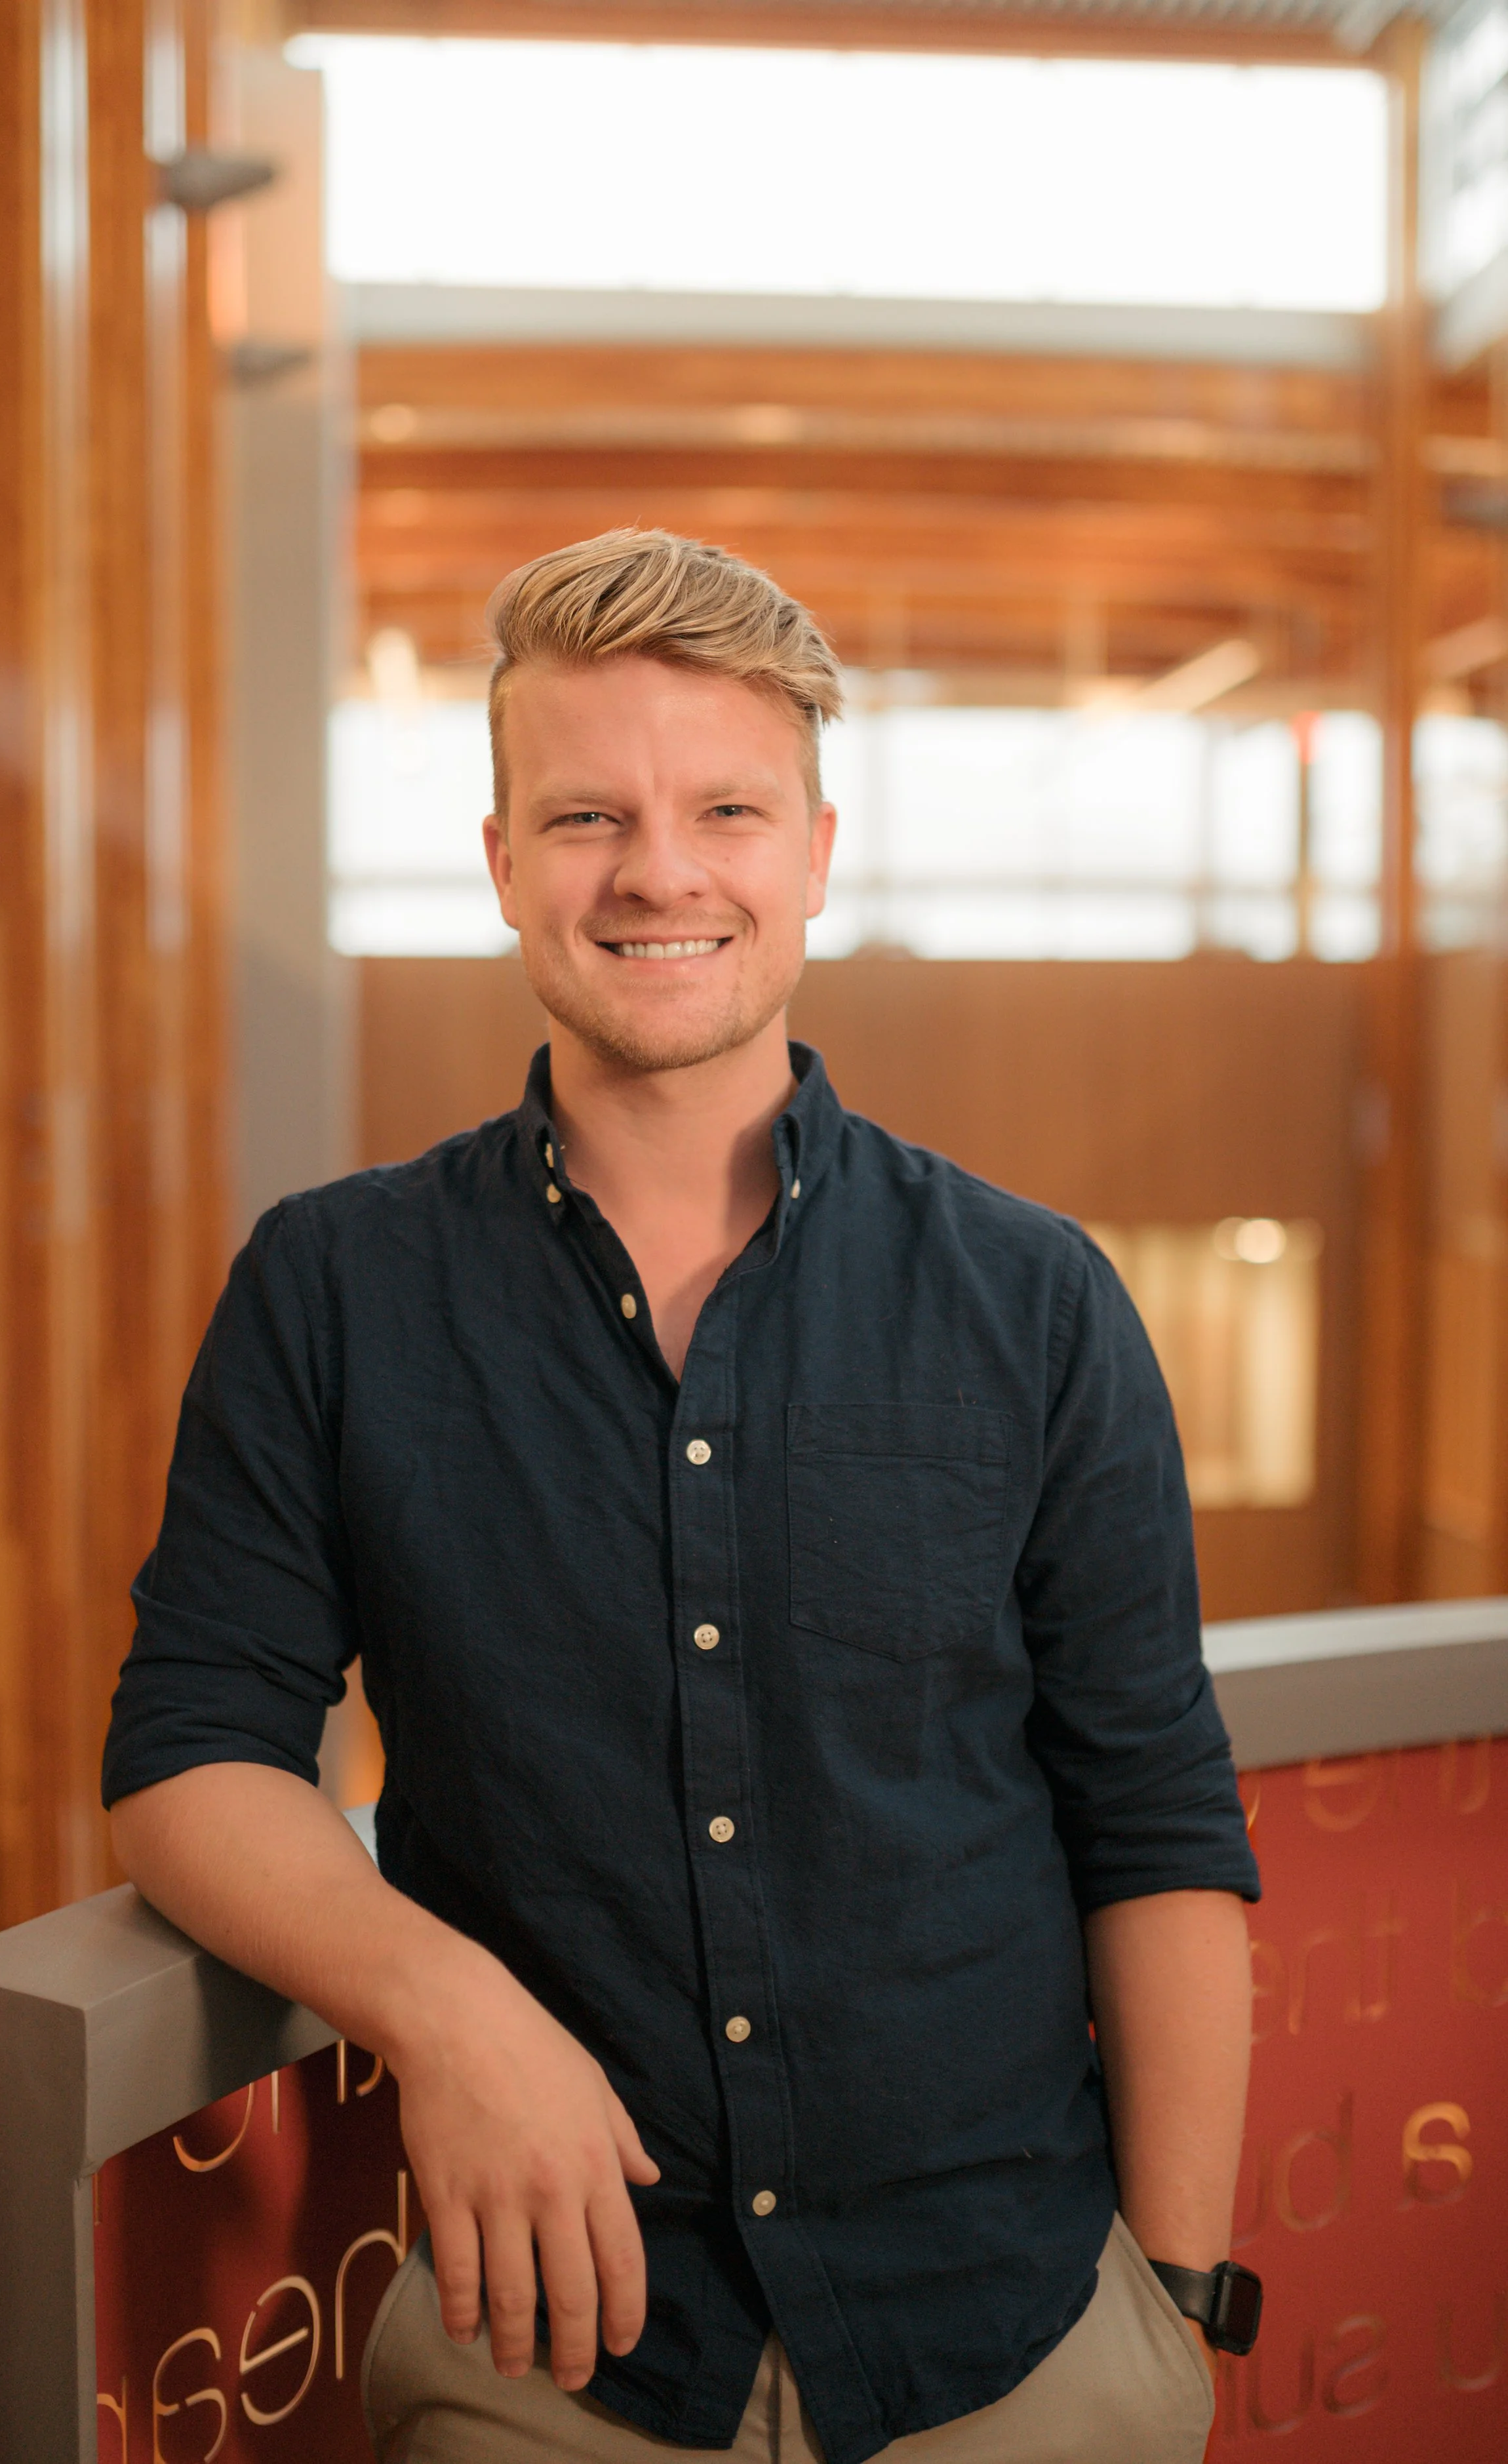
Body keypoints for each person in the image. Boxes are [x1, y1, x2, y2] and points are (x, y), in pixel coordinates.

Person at [104, 528, 1261, 2464]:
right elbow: (192, 1751)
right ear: (499, 863)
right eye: (583, 814)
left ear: (812, 855)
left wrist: (1176, 2310)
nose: (656, 868)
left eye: (725, 807)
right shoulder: (332, 1288)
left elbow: (1149, 1815)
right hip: (550, 2367)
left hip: (1025, 2346)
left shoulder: (1035, 1295)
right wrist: (452, 2006)